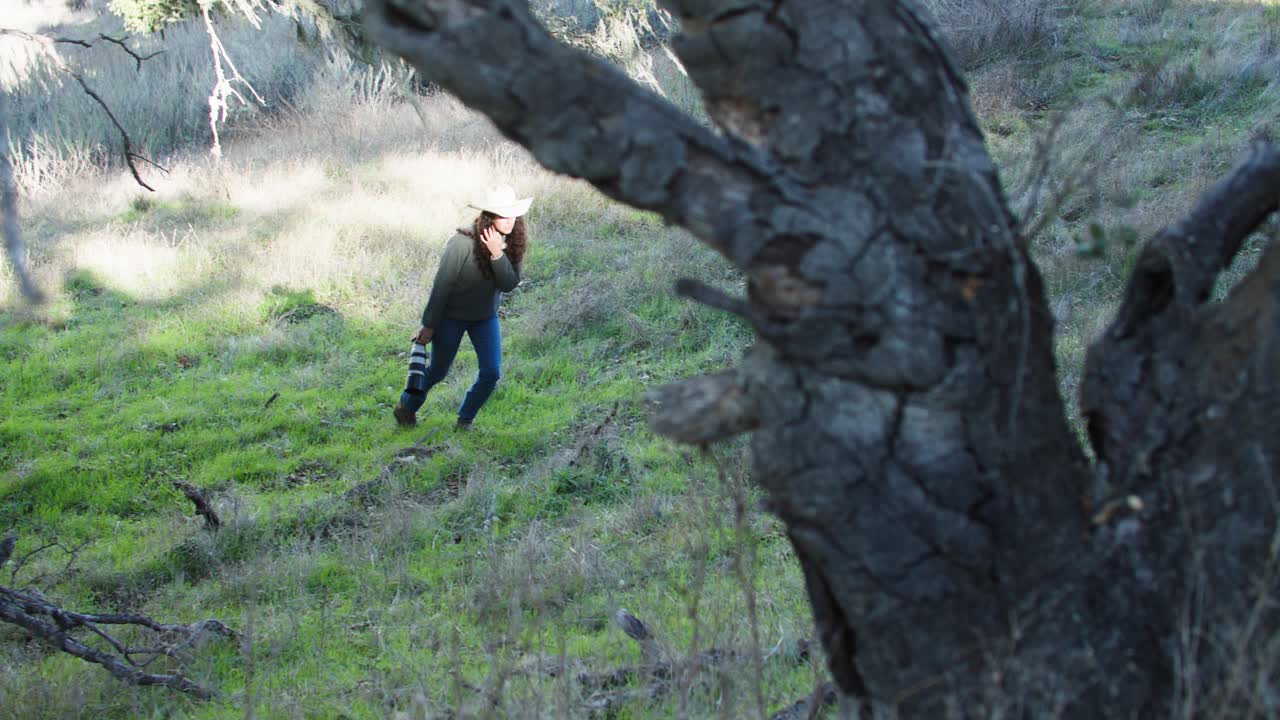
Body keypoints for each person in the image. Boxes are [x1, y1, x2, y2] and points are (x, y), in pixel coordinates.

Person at [394, 184, 532, 429]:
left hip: (485, 318)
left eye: (513, 214)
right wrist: (429, 325)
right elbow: (442, 285)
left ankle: (465, 419)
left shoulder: (512, 242)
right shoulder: (461, 243)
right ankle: (406, 407)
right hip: (451, 318)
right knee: (437, 371)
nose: (510, 220)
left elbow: (509, 283)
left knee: (491, 372)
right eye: (503, 214)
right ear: (489, 215)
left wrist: (497, 254)